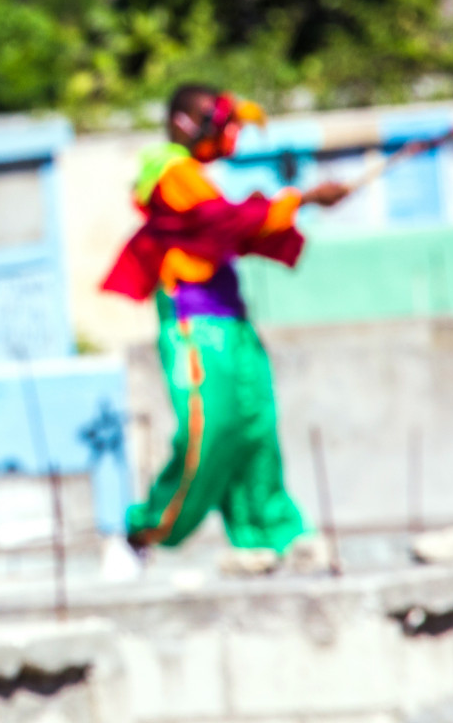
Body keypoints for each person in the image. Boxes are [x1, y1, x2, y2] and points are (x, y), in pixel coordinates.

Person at [101, 84, 347, 573]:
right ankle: (143, 533)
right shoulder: (168, 173)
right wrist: (301, 198)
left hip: (233, 319)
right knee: (209, 428)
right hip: (194, 323)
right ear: (185, 124)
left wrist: (301, 208)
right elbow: (219, 223)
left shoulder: (198, 177)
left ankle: (271, 535)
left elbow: (238, 232)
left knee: (255, 426)